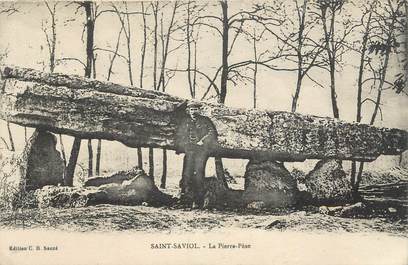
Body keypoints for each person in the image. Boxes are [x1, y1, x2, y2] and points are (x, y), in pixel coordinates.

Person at [177, 101, 217, 208]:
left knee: (199, 174)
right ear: (188, 111)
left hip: (201, 151)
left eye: (195, 109)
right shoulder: (185, 121)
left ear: (199, 110)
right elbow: (180, 135)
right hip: (190, 151)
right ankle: (186, 199)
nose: (193, 112)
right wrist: (185, 146)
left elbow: (212, 133)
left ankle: (199, 200)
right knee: (187, 174)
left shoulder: (205, 120)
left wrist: (202, 141)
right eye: (191, 109)